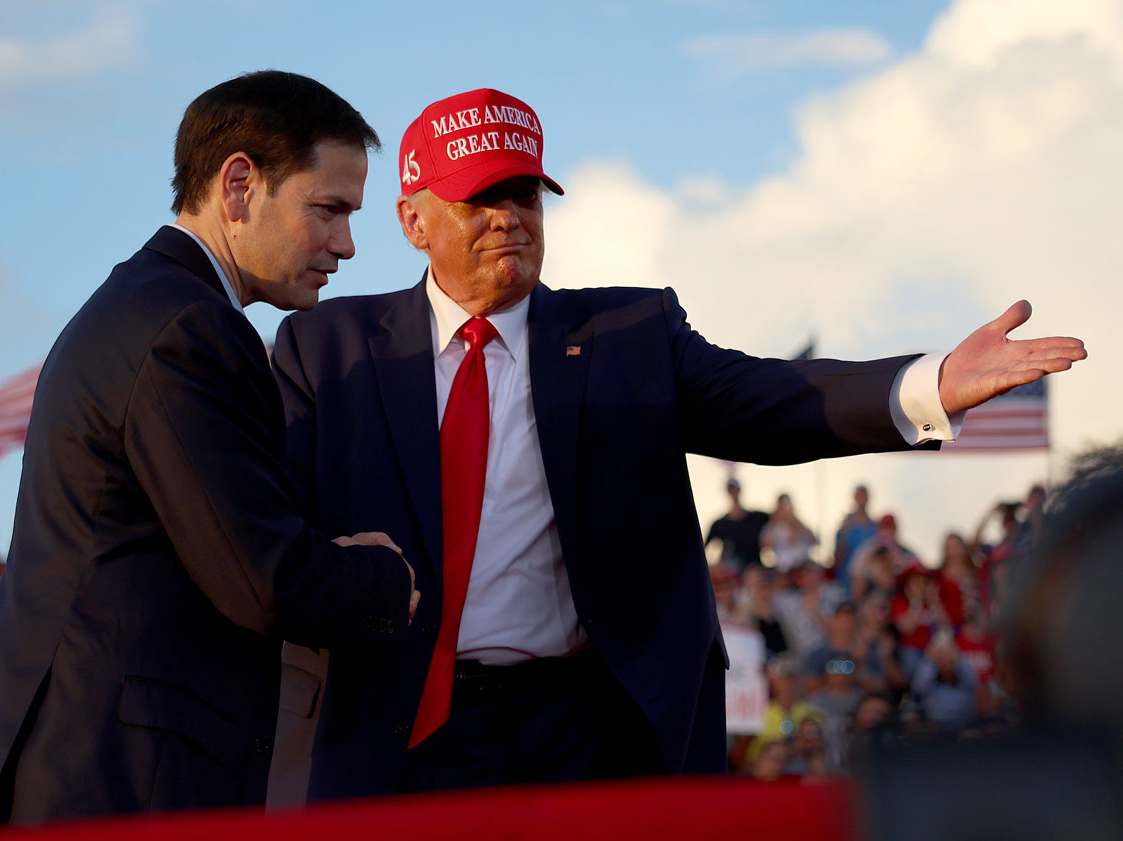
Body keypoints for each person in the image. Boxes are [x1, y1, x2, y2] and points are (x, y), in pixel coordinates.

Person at [270, 86, 1085, 798]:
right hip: (400, 729)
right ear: (414, 220)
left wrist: (927, 383)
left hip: (591, 730)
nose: (507, 218)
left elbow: (773, 399)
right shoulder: (328, 347)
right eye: (478, 198)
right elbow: (267, 522)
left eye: (525, 195)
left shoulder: (630, 334)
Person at [0, 71, 416, 835]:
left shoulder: (148, 306)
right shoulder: (186, 328)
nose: (346, 245)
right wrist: (385, 577)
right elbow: (262, 580)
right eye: (328, 210)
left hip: (88, 778)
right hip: (114, 793)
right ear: (238, 185)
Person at [703, 478, 768, 571]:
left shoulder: (757, 518)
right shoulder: (720, 524)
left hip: (755, 571)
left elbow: (779, 519)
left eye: (735, 489)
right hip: (731, 575)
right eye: (731, 490)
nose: (733, 493)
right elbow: (705, 549)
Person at [832, 484, 877, 594]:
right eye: (859, 495)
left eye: (864, 495)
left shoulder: (876, 527)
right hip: (846, 585)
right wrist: (844, 536)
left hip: (870, 586)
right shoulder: (845, 526)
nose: (862, 499)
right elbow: (836, 560)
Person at [760, 493, 817, 571]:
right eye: (782, 506)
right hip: (783, 568)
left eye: (787, 506)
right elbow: (765, 545)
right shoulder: (772, 527)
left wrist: (796, 524)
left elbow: (814, 540)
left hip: (802, 567)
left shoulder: (800, 525)